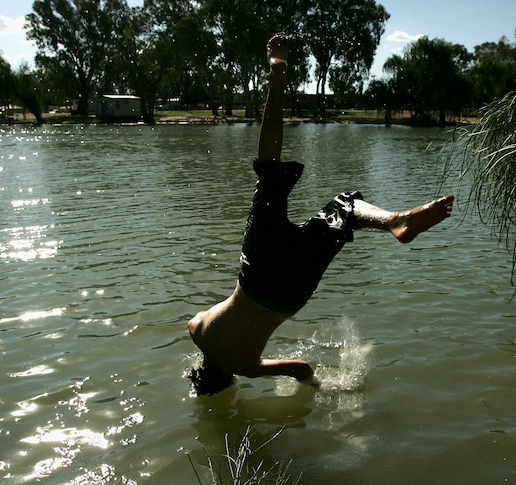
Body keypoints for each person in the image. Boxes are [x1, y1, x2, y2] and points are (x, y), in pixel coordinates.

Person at [187, 34, 454, 395]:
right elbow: (208, 317)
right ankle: (277, 78)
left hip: (289, 294)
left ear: (227, 381)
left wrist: (318, 385)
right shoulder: (197, 331)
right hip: (255, 273)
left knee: (343, 210)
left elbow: (301, 368)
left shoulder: (247, 369)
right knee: (268, 168)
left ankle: (392, 222)